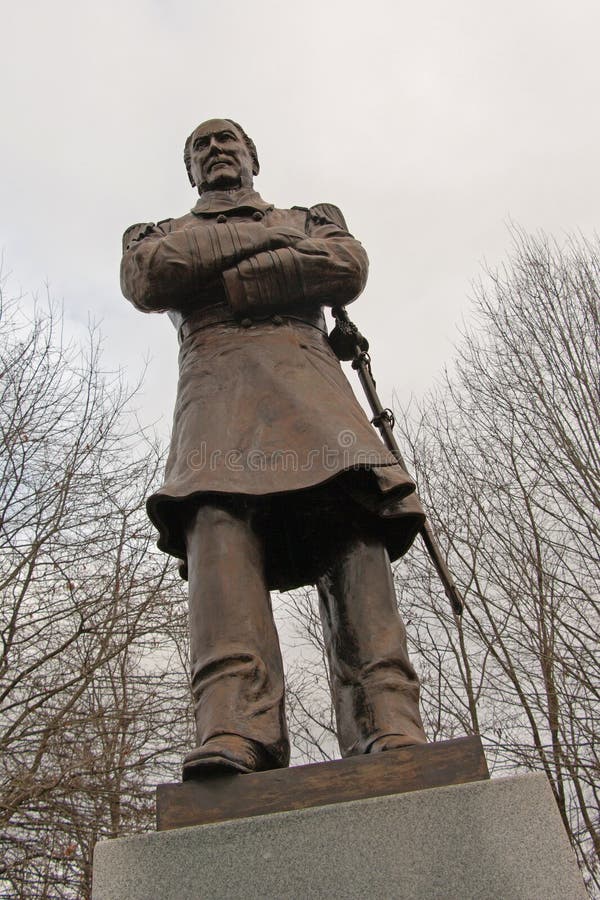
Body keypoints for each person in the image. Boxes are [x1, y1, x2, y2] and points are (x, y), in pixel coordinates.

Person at [121, 118, 427, 779]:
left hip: (309, 385)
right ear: (191, 171)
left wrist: (233, 282)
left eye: (227, 140)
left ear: (253, 155)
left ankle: (387, 717)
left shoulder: (311, 216)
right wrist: (281, 255)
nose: (215, 150)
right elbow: (153, 277)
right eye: (200, 146)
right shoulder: (158, 234)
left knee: (352, 530)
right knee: (219, 527)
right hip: (217, 390)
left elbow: (345, 265)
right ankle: (235, 724)